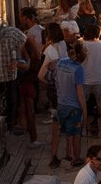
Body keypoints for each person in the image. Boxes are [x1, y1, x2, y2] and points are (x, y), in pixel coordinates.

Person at [54, 39, 87, 168]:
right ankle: (76, 158)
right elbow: (80, 94)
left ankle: (67, 155)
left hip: (61, 104)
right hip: (74, 107)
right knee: (76, 134)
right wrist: (85, 111)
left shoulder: (61, 63)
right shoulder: (78, 69)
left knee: (67, 133)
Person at [39, 23, 68, 168]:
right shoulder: (63, 45)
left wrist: (49, 83)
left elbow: (40, 75)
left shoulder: (50, 50)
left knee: (56, 124)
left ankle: (54, 156)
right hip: (66, 86)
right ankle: (70, 154)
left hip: (56, 89)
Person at [16, 11, 43, 147]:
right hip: (27, 81)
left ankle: (31, 135)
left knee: (27, 108)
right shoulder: (31, 53)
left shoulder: (25, 51)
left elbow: (26, 64)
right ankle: (32, 137)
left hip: (25, 81)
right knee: (28, 109)